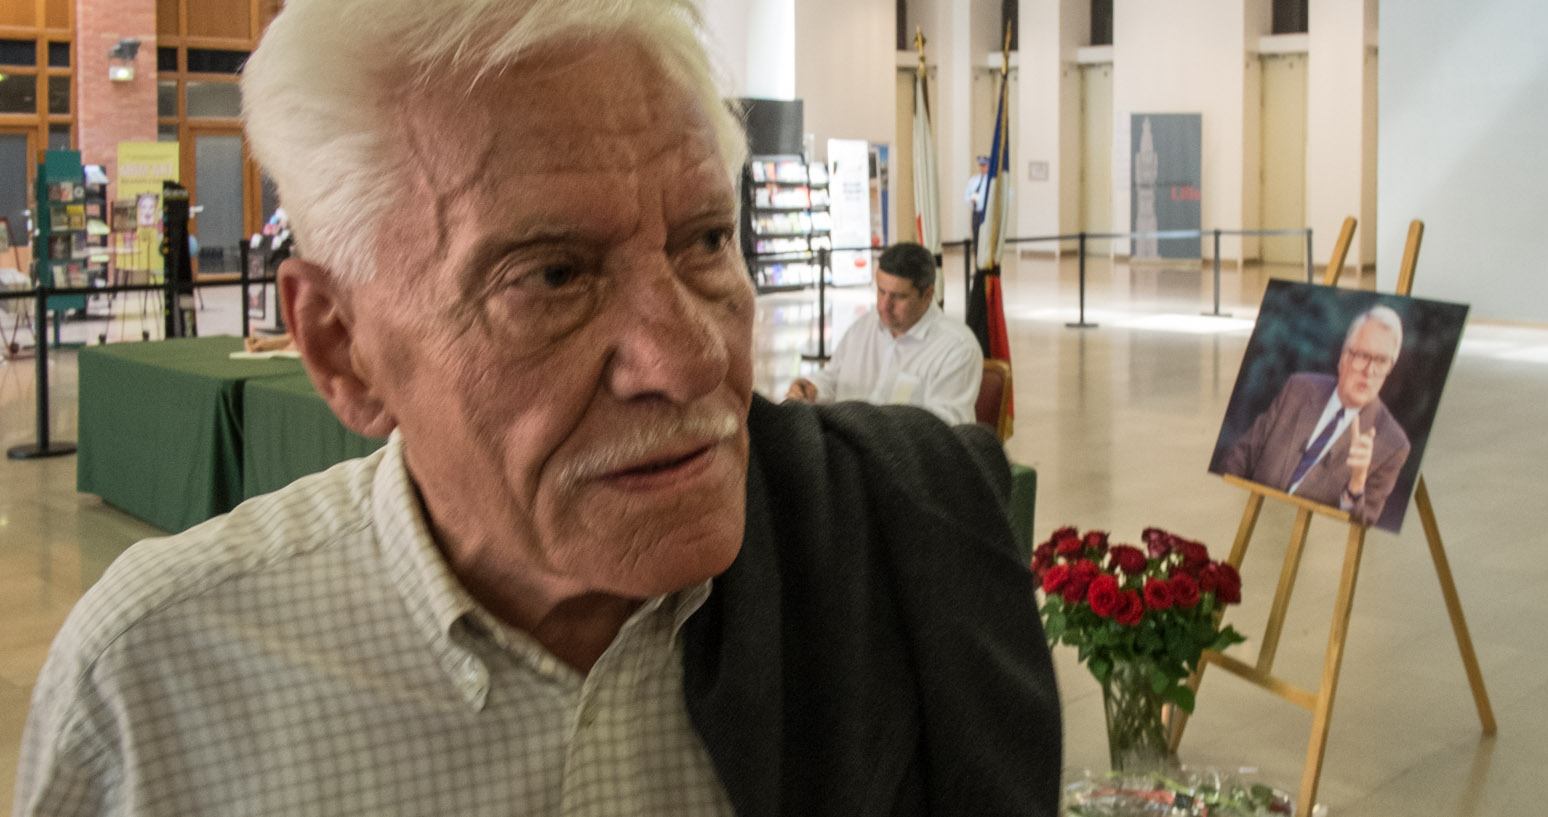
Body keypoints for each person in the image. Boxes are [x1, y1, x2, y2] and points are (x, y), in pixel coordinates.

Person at [12, 1, 1059, 815]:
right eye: (553, 276)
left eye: (704, 241)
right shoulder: (156, 688)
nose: (690, 357)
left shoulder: (897, 541)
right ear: (341, 348)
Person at [1216, 305, 1412, 526]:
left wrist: (1356, 484)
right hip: (1249, 515)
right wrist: (1226, 509)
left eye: (1381, 361)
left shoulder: (1393, 444)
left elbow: (1362, 525)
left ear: (1390, 367)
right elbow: (1241, 455)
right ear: (1344, 357)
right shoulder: (1298, 388)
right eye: (1363, 355)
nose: (1369, 371)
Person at [785, 242, 983, 425]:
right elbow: (833, 378)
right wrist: (812, 388)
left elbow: (944, 427)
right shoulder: (865, 326)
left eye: (898, 296)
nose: (884, 306)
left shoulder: (956, 347)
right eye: (881, 291)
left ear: (928, 295)